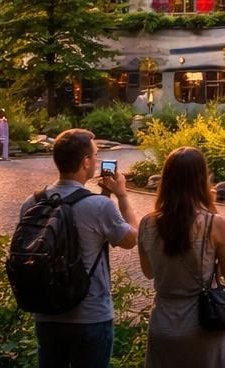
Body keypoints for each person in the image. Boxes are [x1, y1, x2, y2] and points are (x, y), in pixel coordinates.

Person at [21, 128, 139, 368]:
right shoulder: (98, 207)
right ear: (86, 162)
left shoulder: (32, 203)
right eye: (95, 155)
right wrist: (122, 196)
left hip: (46, 312)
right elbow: (132, 238)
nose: (97, 159)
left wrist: (105, 194)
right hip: (90, 316)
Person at [137, 147, 225, 368]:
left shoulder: (147, 223)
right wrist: (212, 208)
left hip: (163, 322)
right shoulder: (214, 223)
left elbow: (148, 272)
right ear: (202, 179)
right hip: (203, 324)